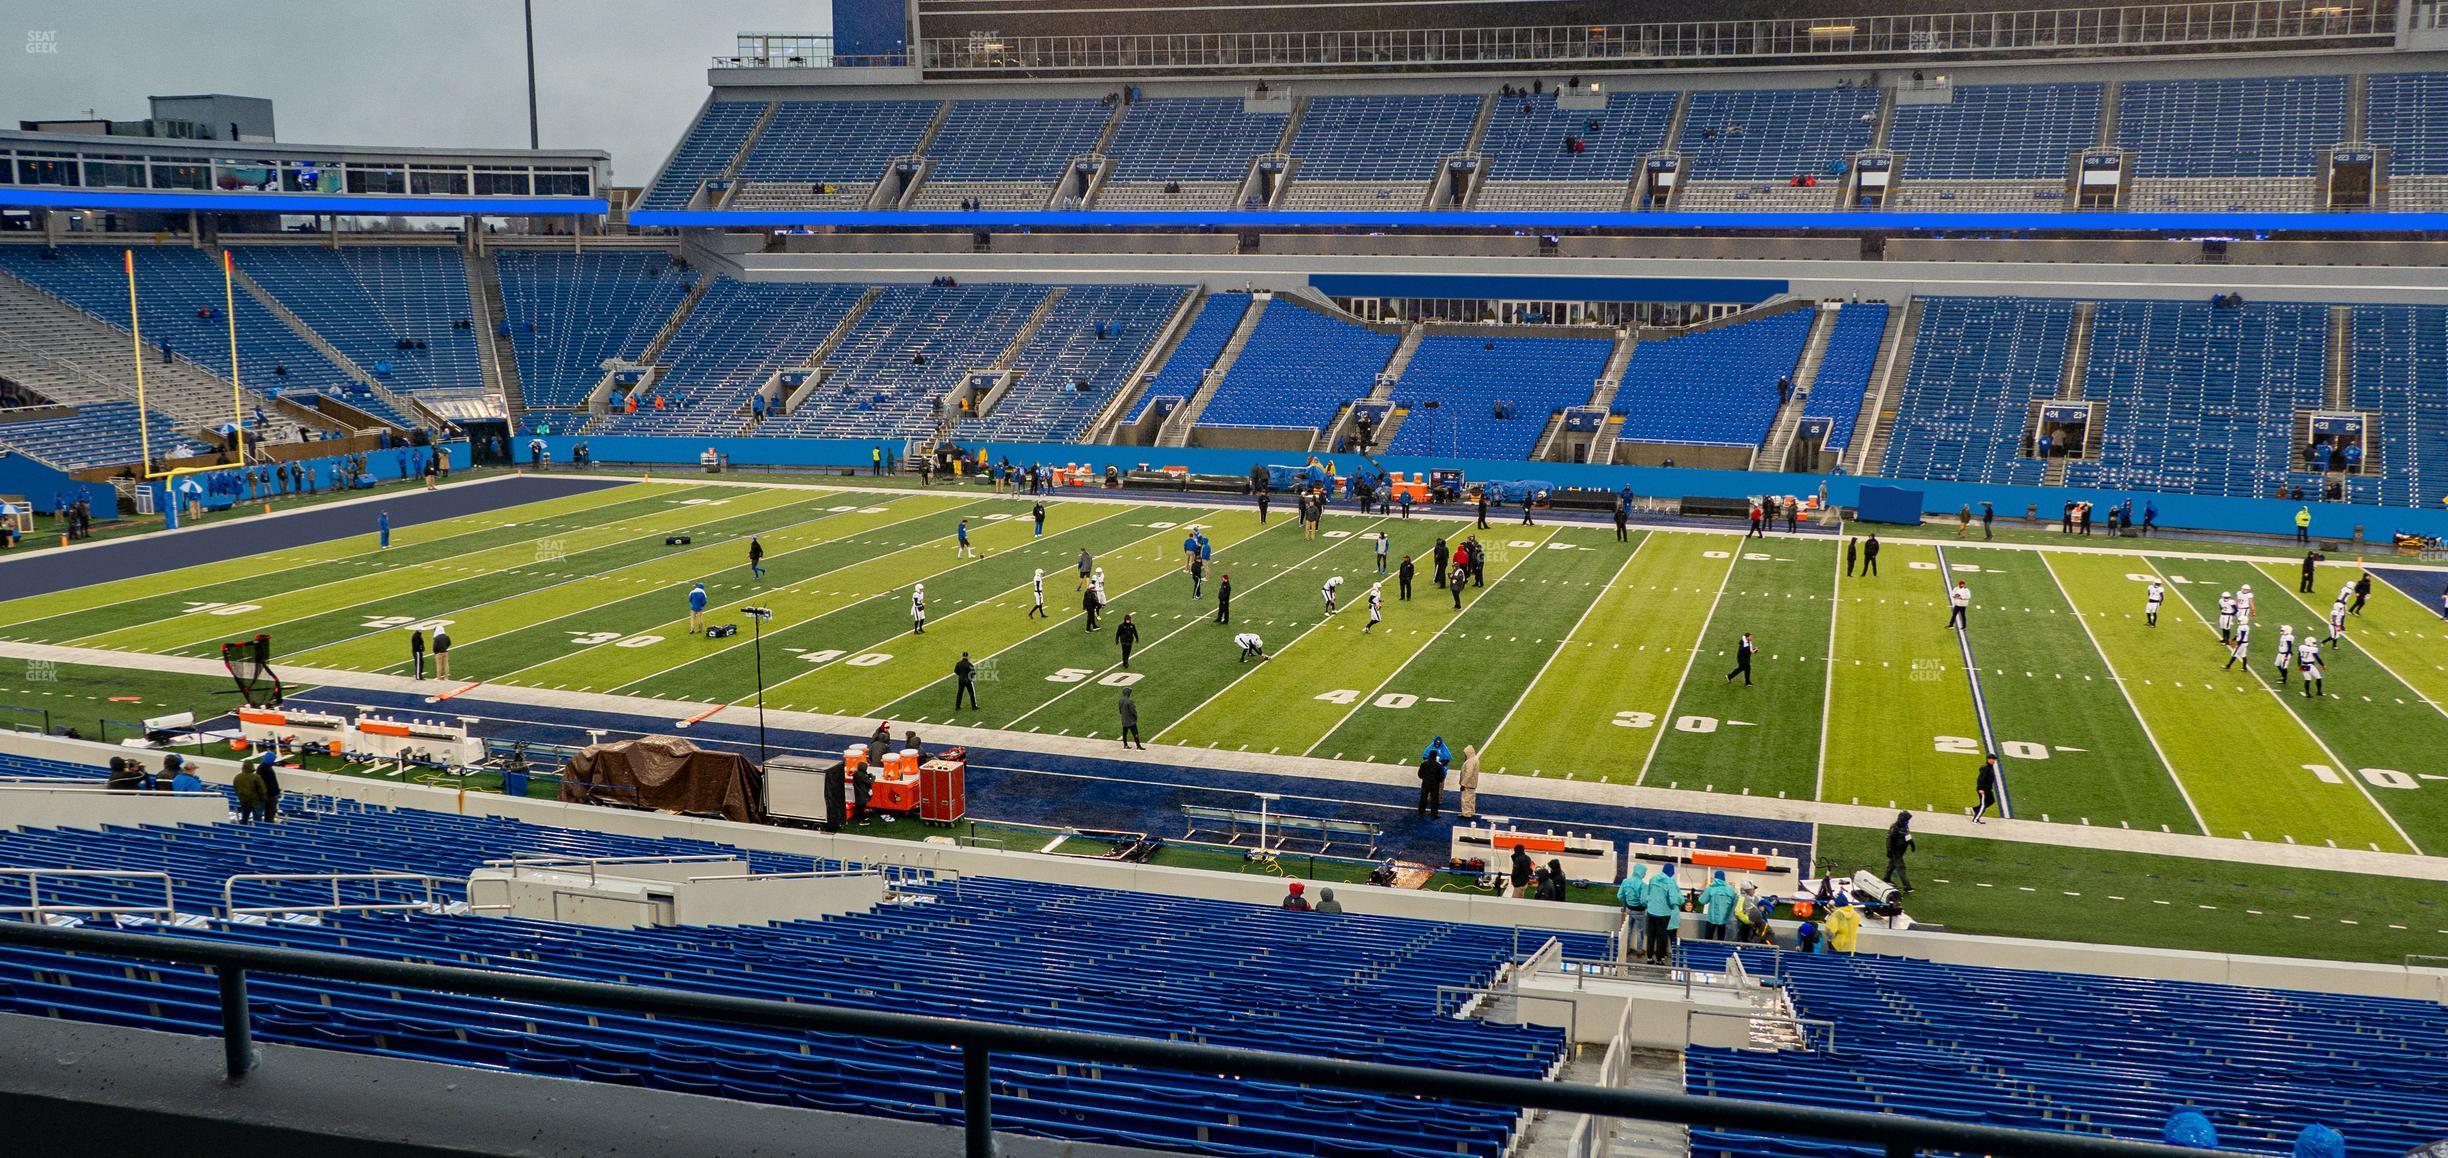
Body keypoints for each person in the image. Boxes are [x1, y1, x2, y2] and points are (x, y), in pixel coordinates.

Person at [1641, 865, 1681, 964]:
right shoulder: (1670, 882)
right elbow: (1673, 899)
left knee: (1651, 936)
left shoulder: (1653, 879)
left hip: (1651, 912)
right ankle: (1659, 959)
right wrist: (1672, 907)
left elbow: (1649, 893)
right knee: (1661, 937)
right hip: (1663, 914)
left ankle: (1649, 957)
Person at [1700, 870, 1740, 940]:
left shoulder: (1711, 888)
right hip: (1725, 920)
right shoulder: (1730, 890)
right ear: (1724, 878)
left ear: (1715, 877)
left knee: (1707, 940)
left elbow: (1702, 901)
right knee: (1722, 941)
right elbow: (1734, 904)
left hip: (1711, 919)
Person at [1884, 811, 1916, 892]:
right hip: (1895, 852)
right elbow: (1889, 839)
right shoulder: (1895, 828)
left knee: (1891, 866)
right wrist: (1889, 850)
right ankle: (1907, 887)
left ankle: (1886, 879)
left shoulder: (1904, 827)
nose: (1908, 822)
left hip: (1900, 851)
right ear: (1902, 820)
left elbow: (1907, 836)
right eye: (1906, 820)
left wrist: (1912, 844)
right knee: (1901, 868)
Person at [1416, 749, 1447, 818]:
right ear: (1435, 756)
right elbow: (1442, 776)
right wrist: (1438, 781)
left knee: (1423, 798)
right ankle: (1434, 813)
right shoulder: (1438, 766)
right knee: (1434, 799)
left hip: (1425, 784)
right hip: (1434, 785)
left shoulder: (1424, 764)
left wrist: (1425, 778)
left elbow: (1420, 774)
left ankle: (1421, 812)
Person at [1974, 754, 2002, 822]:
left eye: (1994, 759)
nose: (1993, 760)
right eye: (1992, 759)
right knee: (1983, 805)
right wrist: (1980, 788)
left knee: (1991, 801)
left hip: (1988, 789)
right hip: (1983, 789)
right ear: (1988, 759)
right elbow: (1980, 779)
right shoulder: (1986, 768)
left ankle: (1975, 809)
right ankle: (1975, 819)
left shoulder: (1990, 767)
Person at [1458, 743, 1481, 818]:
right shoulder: (1475, 759)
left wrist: (1463, 784)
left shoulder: (1470, 761)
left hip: (1468, 784)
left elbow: (1468, 773)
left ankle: (1466, 813)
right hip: (1473, 783)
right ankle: (1471, 811)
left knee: (1466, 798)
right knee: (1471, 797)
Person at [2300, 629, 2325, 698]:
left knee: (2307, 679)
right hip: (2310, 666)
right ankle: (2319, 691)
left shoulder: (2302, 647)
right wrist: (2323, 665)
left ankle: (2307, 693)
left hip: (2303, 665)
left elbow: (2299, 657)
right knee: (2318, 677)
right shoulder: (2312, 649)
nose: (2314, 644)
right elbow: (2317, 658)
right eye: (2313, 643)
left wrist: (2299, 665)